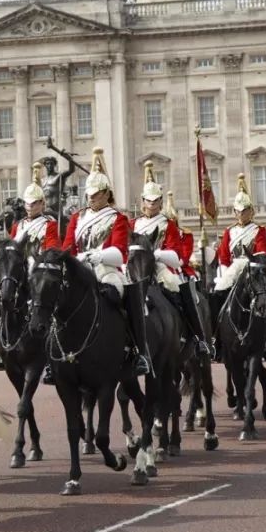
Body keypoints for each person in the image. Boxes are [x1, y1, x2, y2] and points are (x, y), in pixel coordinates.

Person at [61, 147, 150, 376]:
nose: (91, 197)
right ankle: (56, 354)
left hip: (106, 269)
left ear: (106, 193)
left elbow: (121, 253)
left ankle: (137, 350)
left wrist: (97, 255)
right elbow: (68, 247)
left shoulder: (117, 218)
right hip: (80, 269)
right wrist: (74, 259)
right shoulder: (77, 218)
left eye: (97, 194)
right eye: (89, 193)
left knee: (120, 295)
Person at [131, 165, 210, 358]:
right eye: (148, 201)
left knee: (177, 287)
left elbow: (176, 256)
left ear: (160, 202)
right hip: (136, 266)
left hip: (160, 266)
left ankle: (196, 336)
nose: (152, 205)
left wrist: (156, 254)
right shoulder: (132, 224)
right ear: (142, 201)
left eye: (156, 201)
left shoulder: (168, 225)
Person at [9, 162, 62, 382]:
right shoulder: (18, 225)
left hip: (40, 272)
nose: (30, 207)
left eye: (34, 203)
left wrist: (33, 263)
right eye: (27, 203)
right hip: (22, 272)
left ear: (42, 203)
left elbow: (51, 249)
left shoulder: (49, 224)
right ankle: (2, 344)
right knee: (3, 298)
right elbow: (12, 249)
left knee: (50, 309)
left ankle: (51, 358)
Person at [209, 174, 266, 354]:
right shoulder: (229, 231)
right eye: (238, 211)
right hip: (232, 270)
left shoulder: (259, 230)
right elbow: (223, 256)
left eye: (244, 211)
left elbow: (262, 251)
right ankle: (215, 337)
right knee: (216, 295)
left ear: (251, 211)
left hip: (253, 269)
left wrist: (251, 265)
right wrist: (223, 273)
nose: (241, 214)